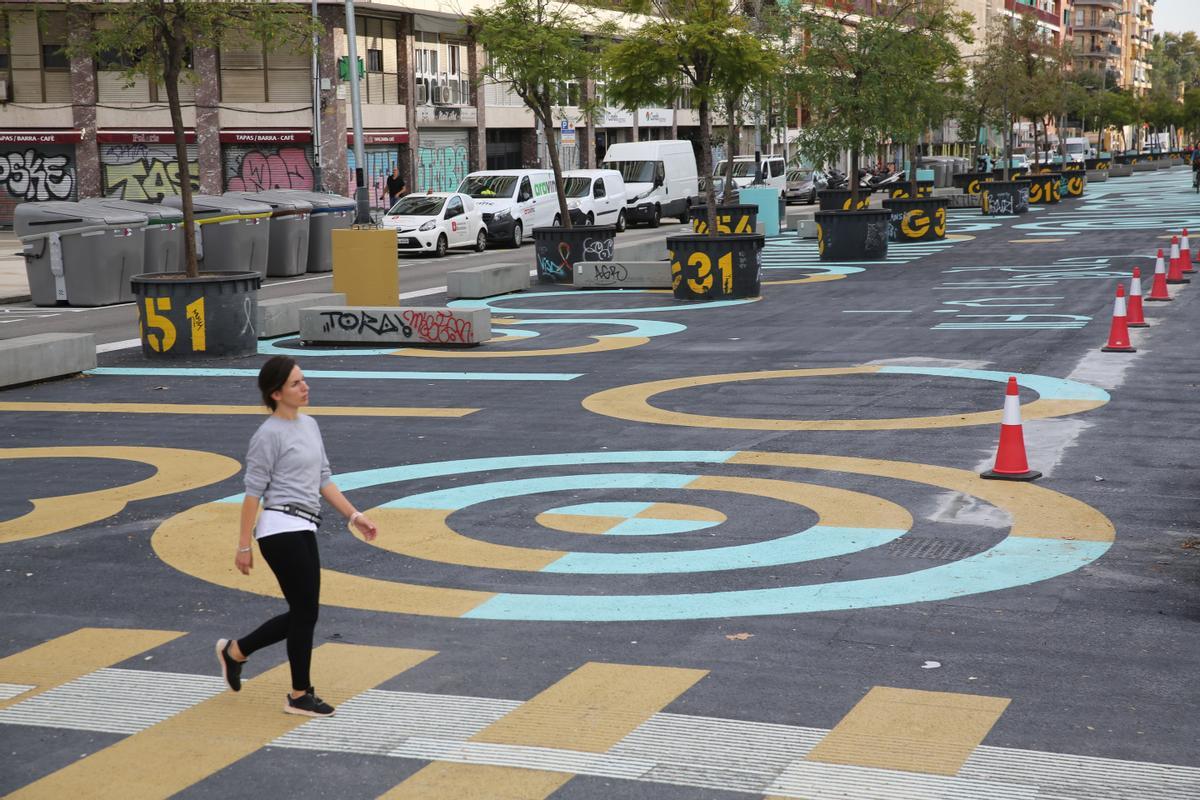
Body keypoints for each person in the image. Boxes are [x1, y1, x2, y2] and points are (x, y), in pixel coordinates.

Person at [216, 355, 378, 717]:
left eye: (303, 380)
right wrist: (243, 545)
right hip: (278, 528)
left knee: (305, 612)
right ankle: (299, 694)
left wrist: (355, 516)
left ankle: (236, 652)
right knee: (305, 612)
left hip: (305, 525)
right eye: (295, 383)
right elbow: (252, 494)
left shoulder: (310, 425)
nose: (305, 387)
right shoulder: (267, 436)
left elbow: (323, 479)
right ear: (275, 393)